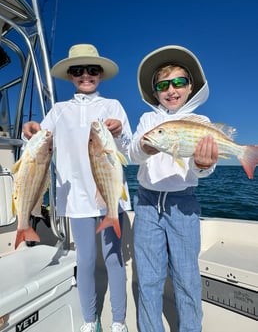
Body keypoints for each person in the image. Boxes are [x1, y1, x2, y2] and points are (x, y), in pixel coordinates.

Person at [22, 44, 132, 332]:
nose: (86, 75)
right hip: (77, 200)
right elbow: (36, 146)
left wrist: (119, 133)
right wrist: (31, 130)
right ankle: (88, 318)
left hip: (109, 196)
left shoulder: (113, 106)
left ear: (101, 75)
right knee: (84, 259)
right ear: (70, 75)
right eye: (78, 70)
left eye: (92, 70)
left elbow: (129, 151)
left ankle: (118, 320)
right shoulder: (59, 111)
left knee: (113, 257)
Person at [128, 45, 219, 332]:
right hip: (145, 203)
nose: (172, 89)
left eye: (179, 82)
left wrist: (203, 165)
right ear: (155, 92)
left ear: (190, 87)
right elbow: (132, 153)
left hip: (184, 205)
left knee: (187, 276)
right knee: (149, 277)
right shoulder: (148, 120)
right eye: (163, 85)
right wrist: (143, 147)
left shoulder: (201, 122)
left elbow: (202, 169)